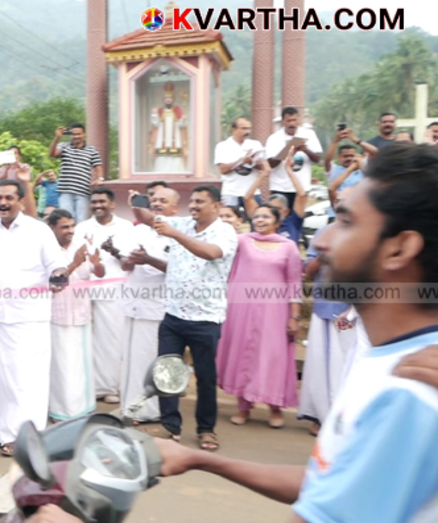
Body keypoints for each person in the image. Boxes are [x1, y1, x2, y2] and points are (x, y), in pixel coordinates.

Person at [156, 142, 438, 523]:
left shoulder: (408, 391)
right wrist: (200, 460)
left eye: (347, 222)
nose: (321, 241)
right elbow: (331, 481)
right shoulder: (396, 362)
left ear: (399, 249)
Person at [0, 179, 69, 456]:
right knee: (2, 376)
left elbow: (56, 262)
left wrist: (58, 274)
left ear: (21, 201)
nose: (3, 202)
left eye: (9, 197)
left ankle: (24, 435)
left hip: (29, 314)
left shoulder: (38, 230)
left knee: (26, 377)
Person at [131, 185, 237, 451]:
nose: (194, 205)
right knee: (167, 372)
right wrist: (140, 201)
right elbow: (147, 218)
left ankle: (206, 429)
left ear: (215, 205)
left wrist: (176, 234)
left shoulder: (225, 231)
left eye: (200, 201)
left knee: (205, 376)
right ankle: (170, 426)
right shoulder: (182, 223)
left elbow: (211, 253)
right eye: (192, 201)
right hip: (174, 314)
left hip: (205, 318)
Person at [216, 203, 303, 428]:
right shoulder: (242, 241)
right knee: (243, 352)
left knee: (273, 356)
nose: (260, 220)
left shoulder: (289, 247)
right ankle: (243, 408)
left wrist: (294, 317)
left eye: (265, 216)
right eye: (256, 216)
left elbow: (294, 282)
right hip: (241, 308)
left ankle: (275, 407)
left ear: (277, 220)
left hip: (274, 310)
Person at [118, 186, 179, 423]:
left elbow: (179, 270)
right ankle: (130, 407)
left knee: (150, 361)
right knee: (130, 361)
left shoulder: (180, 233)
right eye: (153, 199)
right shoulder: (139, 231)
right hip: (133, 304)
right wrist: (129, 261)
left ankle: (149, 412)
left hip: (158, 309)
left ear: (175, 208)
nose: (156, 203)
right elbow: (125, 263)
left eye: (163, 200)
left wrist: (148, 259)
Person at [298, 188, 356, 437]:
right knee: (321, 365)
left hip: (356, 312)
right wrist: (324, 255)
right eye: (338, 201)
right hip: (324, 307)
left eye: (346, 200)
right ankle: (321, 415)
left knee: (348, 366)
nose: (340, 204)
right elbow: (309, 271)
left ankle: (347, 419)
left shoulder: (368, 232)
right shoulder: (325, 232)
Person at [74, 188, 135, 404]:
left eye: (102, 201)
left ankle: (109, 387)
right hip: (83, 292)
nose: (97, 205)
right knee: (85, 341)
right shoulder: (81, 228)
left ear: (112, 204)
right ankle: (87, 387)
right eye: (94, 202)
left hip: (114, 292)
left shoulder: (126, 228)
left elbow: (131, 260)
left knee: (111, 341)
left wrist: (113, 250)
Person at [47, 209, 103, 421]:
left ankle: (82, 408)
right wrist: (74, 264)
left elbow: (99, 273)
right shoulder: (48, 251)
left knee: (81, 365)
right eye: (65, 227)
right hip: (57, 316)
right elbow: (54, 284)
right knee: (62, 367)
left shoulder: (81, 247)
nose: (70, 231)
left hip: (80, 314)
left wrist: (96, 263)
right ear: (52, 228)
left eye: (72, 226)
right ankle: (61, 412)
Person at [264, 107, 322, 208]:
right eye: (289, 121)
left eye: (294, 120)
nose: (292, 124)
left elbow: (317, 159)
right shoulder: (274, 138)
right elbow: (271, 164)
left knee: (297, 219)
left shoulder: (309, 134)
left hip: (301, 187)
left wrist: (305, 149)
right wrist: (288, 150)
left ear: (299, 120)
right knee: (279, 219)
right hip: (280, 187)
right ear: (283, 122)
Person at [245, 156, 307, 246]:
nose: (274, 212)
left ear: (286, 212)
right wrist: (263, 174)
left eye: (278, 209)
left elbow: (301, 195)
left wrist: (289, 170)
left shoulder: (292, 222)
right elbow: (248, 198)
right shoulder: (261, 223)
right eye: (271, 209)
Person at [49, 123, 103, 222]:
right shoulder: (64, 146)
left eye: (79, 134)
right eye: (74, 134)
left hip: (83, 191)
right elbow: (52, 154)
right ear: (70, 135)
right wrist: (57, 137)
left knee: (81, 221)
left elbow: (98, 167)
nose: (76, 136)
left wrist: (100, 179)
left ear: (84, 134)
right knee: (66, 219)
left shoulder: (92, 150)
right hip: (65, 190)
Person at [214, 117, 264, 208]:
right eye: (244, 128)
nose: (247, 132)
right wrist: (241, 161)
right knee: (229, 220)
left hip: (253, 192)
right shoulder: (222, 146)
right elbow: (223, 169)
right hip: (231, 193)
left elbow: (264, 166)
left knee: (256, 220)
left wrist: (252, 162)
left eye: (249, 129)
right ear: (233, 129)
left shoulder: (255, 145)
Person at [150, 81, 188, 173]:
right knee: (162, 157)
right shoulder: (160, 110)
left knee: (175, 157)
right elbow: (156, 124)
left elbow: (180, 125)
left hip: (175, 138)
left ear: (173, 99)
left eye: (170, 98)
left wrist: (182, 119)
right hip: (162, 138)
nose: (168, 100)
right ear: (164, 99)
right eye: (166, 98)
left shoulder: (177, 109)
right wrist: (155, 114)